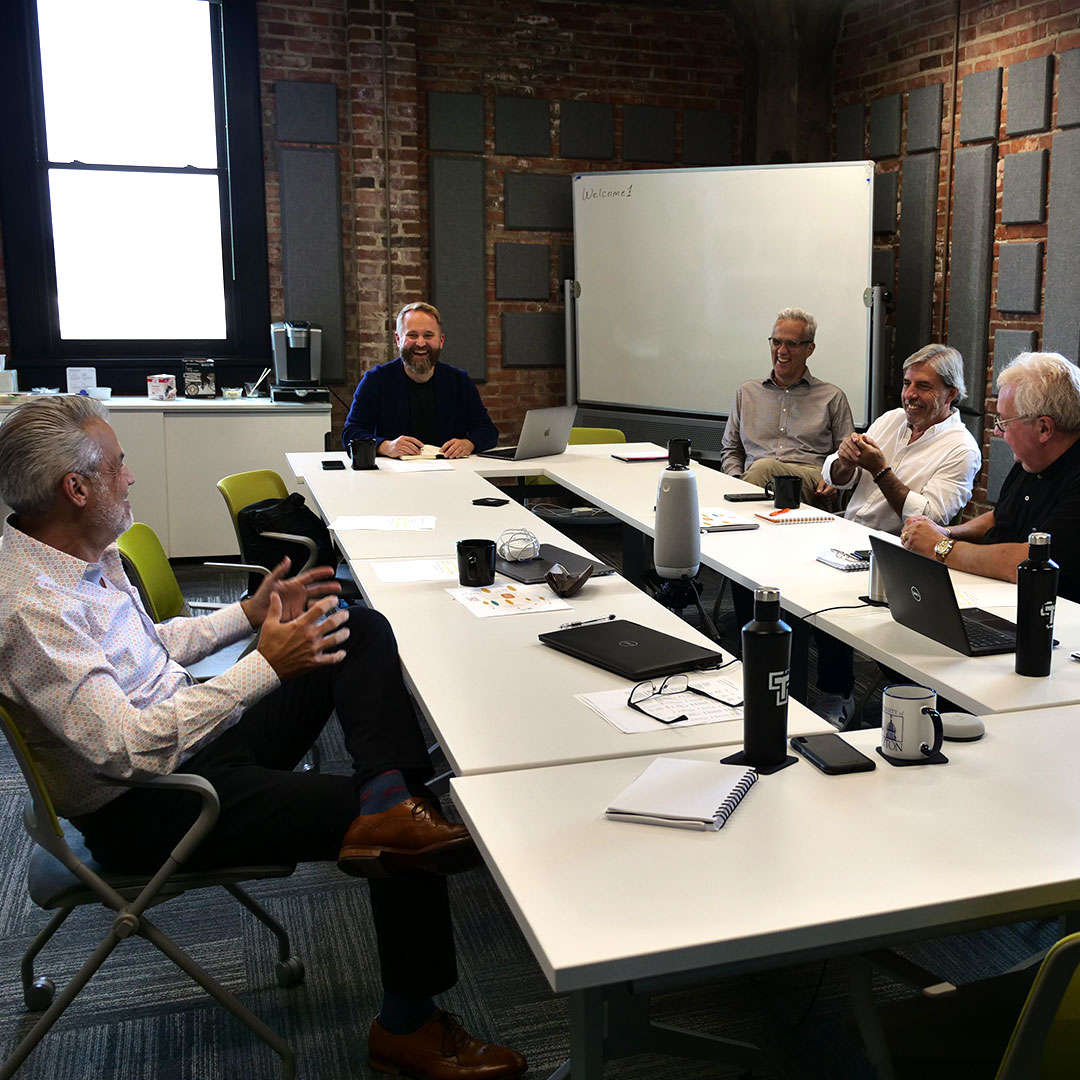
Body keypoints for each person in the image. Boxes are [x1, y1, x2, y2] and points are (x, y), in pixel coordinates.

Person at [0, 395, 526, 1080]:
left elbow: (149, 648)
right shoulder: (33, 606)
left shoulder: (79, 556)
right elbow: (128, 748)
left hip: (196, 745)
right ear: (78, 487)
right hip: (153, 804)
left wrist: (248, 616)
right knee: (400, 843)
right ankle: (408, 1024)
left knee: (350, 624)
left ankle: (394, 797)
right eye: (119, 465)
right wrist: (266, 666)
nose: (129, 478)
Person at [813, 344, 982, 727]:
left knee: (824, 599)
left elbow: (929, 520)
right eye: (907, 384)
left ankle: (839, 693)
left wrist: (881, 470)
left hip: (901, 556)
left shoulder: (961, 449)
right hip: (849, 537)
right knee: (783, 585)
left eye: (923, 386)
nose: (910, 395)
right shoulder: (890, 420)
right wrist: (843, 460)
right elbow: (838, 480)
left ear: (950, 394)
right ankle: (811, 690)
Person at [901, 351, 1080, 605]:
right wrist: (946, 532)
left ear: (1044, 428)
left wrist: (940, 547)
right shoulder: (1032, 457)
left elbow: (1026, 560)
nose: (997, 430)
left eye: (1004, 421)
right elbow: (999, 517)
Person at [720, 307, 854, 506]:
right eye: (776, 342)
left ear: (809, 349)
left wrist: (835, 483)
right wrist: (736, 478)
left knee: (764, 468)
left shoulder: (832, 397)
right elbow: (731, 449)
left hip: (808, 480)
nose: (782, 351)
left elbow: (847, 456)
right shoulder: (746, 393)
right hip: (754, 481)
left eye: (792, 344)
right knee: (758, 471)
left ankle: (733, 508)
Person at [343, 302, 498, 459]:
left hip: (451, 474)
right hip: (394, 478)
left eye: (428, 335)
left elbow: (488, 431)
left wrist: (469, 443)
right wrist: (386, 446)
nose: (421, 343)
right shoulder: (376, 381)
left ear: (441, 341)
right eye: (412, 335)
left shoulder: (459, 381)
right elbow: (351, 433)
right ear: (398, 339)